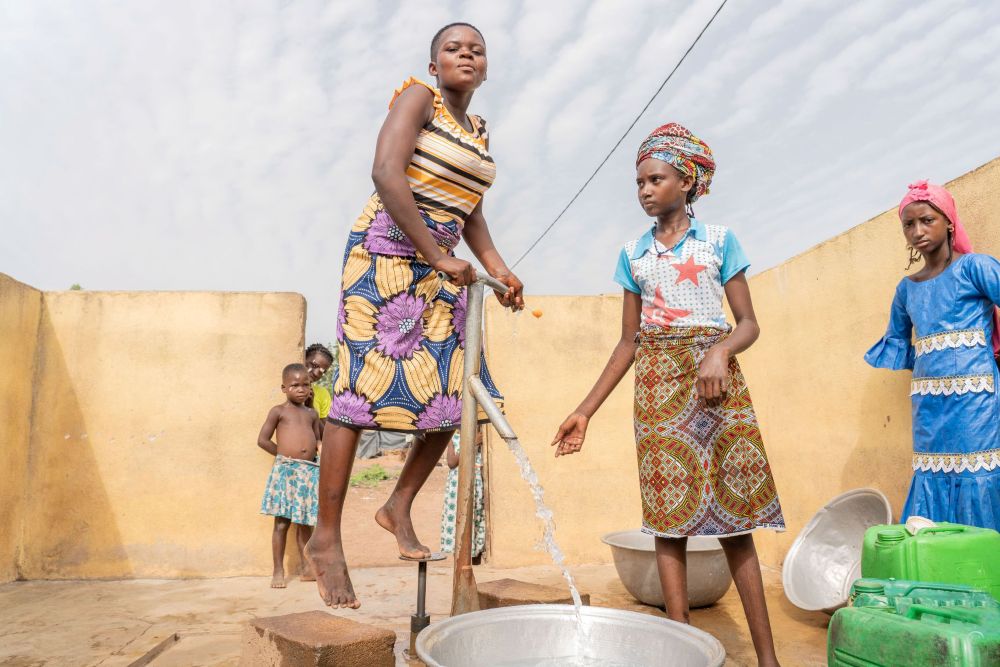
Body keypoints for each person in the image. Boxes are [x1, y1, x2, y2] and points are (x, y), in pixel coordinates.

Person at [305, 22, 524, 609]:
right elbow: (385, 171)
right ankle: (325, 540)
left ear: (486, 68)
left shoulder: (477, 132)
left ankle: (396, 503)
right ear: (433, 65)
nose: (467, 54)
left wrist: (499, 270)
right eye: (453, 47)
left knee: (453, 394)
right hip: (385, 255)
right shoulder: (416, 98)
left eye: (477, 49)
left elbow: (469, 209)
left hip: (440, 265)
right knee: (356, 393)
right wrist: (434, 252)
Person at [551, 123, 784, 666]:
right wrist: (585, 410)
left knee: (737, 523)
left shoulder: (721, 241)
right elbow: (628, 341)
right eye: (639, 182)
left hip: (717, 385)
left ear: (687, 181)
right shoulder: (632, 255)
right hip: (656, 388)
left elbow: (748, 322)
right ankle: (683, 651)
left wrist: (721, 351)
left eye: (656, 179)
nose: (645, 190)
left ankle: (769, 660)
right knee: (668, 520)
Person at [865, 180, 1000, 530]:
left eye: (927, 220)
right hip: (928, 408)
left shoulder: (976, 268)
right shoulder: (906, 290)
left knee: (978, 472)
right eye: (908, 224)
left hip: (976, 403)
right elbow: (899, 347)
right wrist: (936, 366)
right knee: (932, 471)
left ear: (949, 222)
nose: (917, 231)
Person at [257, 363, 322, 588]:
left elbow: (318, 440)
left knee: (306, 522)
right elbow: (262, 440)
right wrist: (284, 455)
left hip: (308, 473)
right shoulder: (279, 411)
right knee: (282, 523)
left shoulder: (312, 413)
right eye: (295, 385)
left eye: (306, 384)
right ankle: (278, 570)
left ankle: (307, 568)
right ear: (284, 388)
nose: (301, 389)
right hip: (286, 472)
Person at [440, 428, 486, 561]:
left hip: (475, 480)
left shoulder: (480, 435)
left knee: (475, 514)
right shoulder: (452, 437)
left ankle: (474, 552)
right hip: (457, 483)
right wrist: (472, 445)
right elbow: (451, 462)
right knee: (459, 516)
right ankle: (459, 554)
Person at [304, 343, 334, 431]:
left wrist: (310, 407)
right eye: (314, 365)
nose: (317, 373)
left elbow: (324, 434)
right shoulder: (288, 387)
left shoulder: (322, 394)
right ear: (303, 358)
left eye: (322, 371)